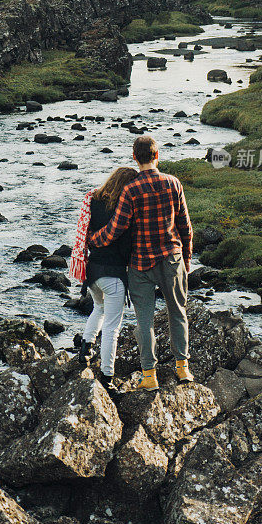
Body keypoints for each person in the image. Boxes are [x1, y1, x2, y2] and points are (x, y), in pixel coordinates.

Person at [89, 136, 193, 391]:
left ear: (135, 157)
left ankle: (150, 376)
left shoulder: (130, 189)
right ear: (157, 155)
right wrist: (187, 259)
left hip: (141, 264)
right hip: (172, 258)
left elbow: (115, 229)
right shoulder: (173, 183)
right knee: (177, 313)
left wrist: (93, 240)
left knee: (144, 322)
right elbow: (185, 226)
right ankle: (183, 369)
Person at [69, 167, 137, 396]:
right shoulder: (124, 207)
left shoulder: (94, 199)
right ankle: (107, 377)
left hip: (92, 272)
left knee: (98, 308)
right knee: (112, 328)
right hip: (114, 273)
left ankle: (85, 349)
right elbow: (126, 244)